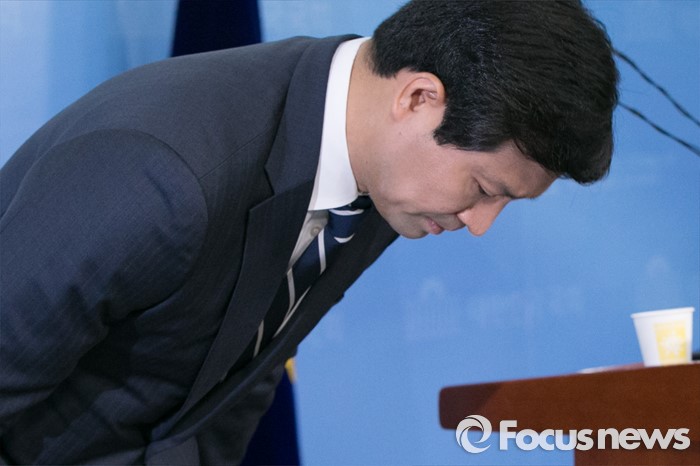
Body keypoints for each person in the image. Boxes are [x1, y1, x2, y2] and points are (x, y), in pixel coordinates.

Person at [0, 1, 618, 464]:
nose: (479, 224)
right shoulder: (162, 172)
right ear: (418, 98)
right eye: (484, 189)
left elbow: (243, 365)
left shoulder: (381, 173)